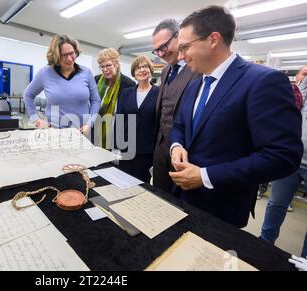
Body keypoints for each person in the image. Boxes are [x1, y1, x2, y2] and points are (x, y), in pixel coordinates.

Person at [168, 6, 303, 228]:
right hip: (182, 198)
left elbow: (283, 156)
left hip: (222, 207)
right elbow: (180, 126)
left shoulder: (263, 81)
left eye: (185, 47)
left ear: (213, 40)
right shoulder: (195, 84)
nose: (181, 57)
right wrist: (176, 145)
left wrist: (205, 176)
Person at [260, 75, 307, 256]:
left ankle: (305, 258)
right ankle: (265, 244)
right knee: (276, 205)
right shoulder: (301, 91)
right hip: (292, 159)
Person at [151, 19, 200, 193]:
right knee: (158, 194)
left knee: (179, 202)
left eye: (163, 46)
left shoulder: (197, 68)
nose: (161, 54)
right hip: (160, 148)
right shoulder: (165, 71)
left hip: (184, 153)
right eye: (156, 50)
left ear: (178, 36)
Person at [23, 34, 101, 133]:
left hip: (82, 132)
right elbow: (28, 95)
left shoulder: (86, 72)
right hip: (55, 132)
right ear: (55, 56)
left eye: (71, 53)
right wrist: (35, 119)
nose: (69, 59)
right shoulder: (45, 73)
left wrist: (90, 123)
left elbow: (96, 100)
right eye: (64, 55)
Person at [116, 56, 159, 182]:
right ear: (134, 73)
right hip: (126, 148)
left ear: (150, 70)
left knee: (141, 183)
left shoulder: (159, 93)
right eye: (138, 68)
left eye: (145, 66)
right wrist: (116, 147)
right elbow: (120, 119)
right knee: (123, 181)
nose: (142, 70)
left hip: (147, 150)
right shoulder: (126, 92)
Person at [94, 48, 135, 149]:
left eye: (108, 65)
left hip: (116, 130)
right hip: (95, 129)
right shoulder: (96, 80)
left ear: (116, 64)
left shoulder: (128, 84)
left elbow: (129, 114)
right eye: (102, 66)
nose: (105, 69)